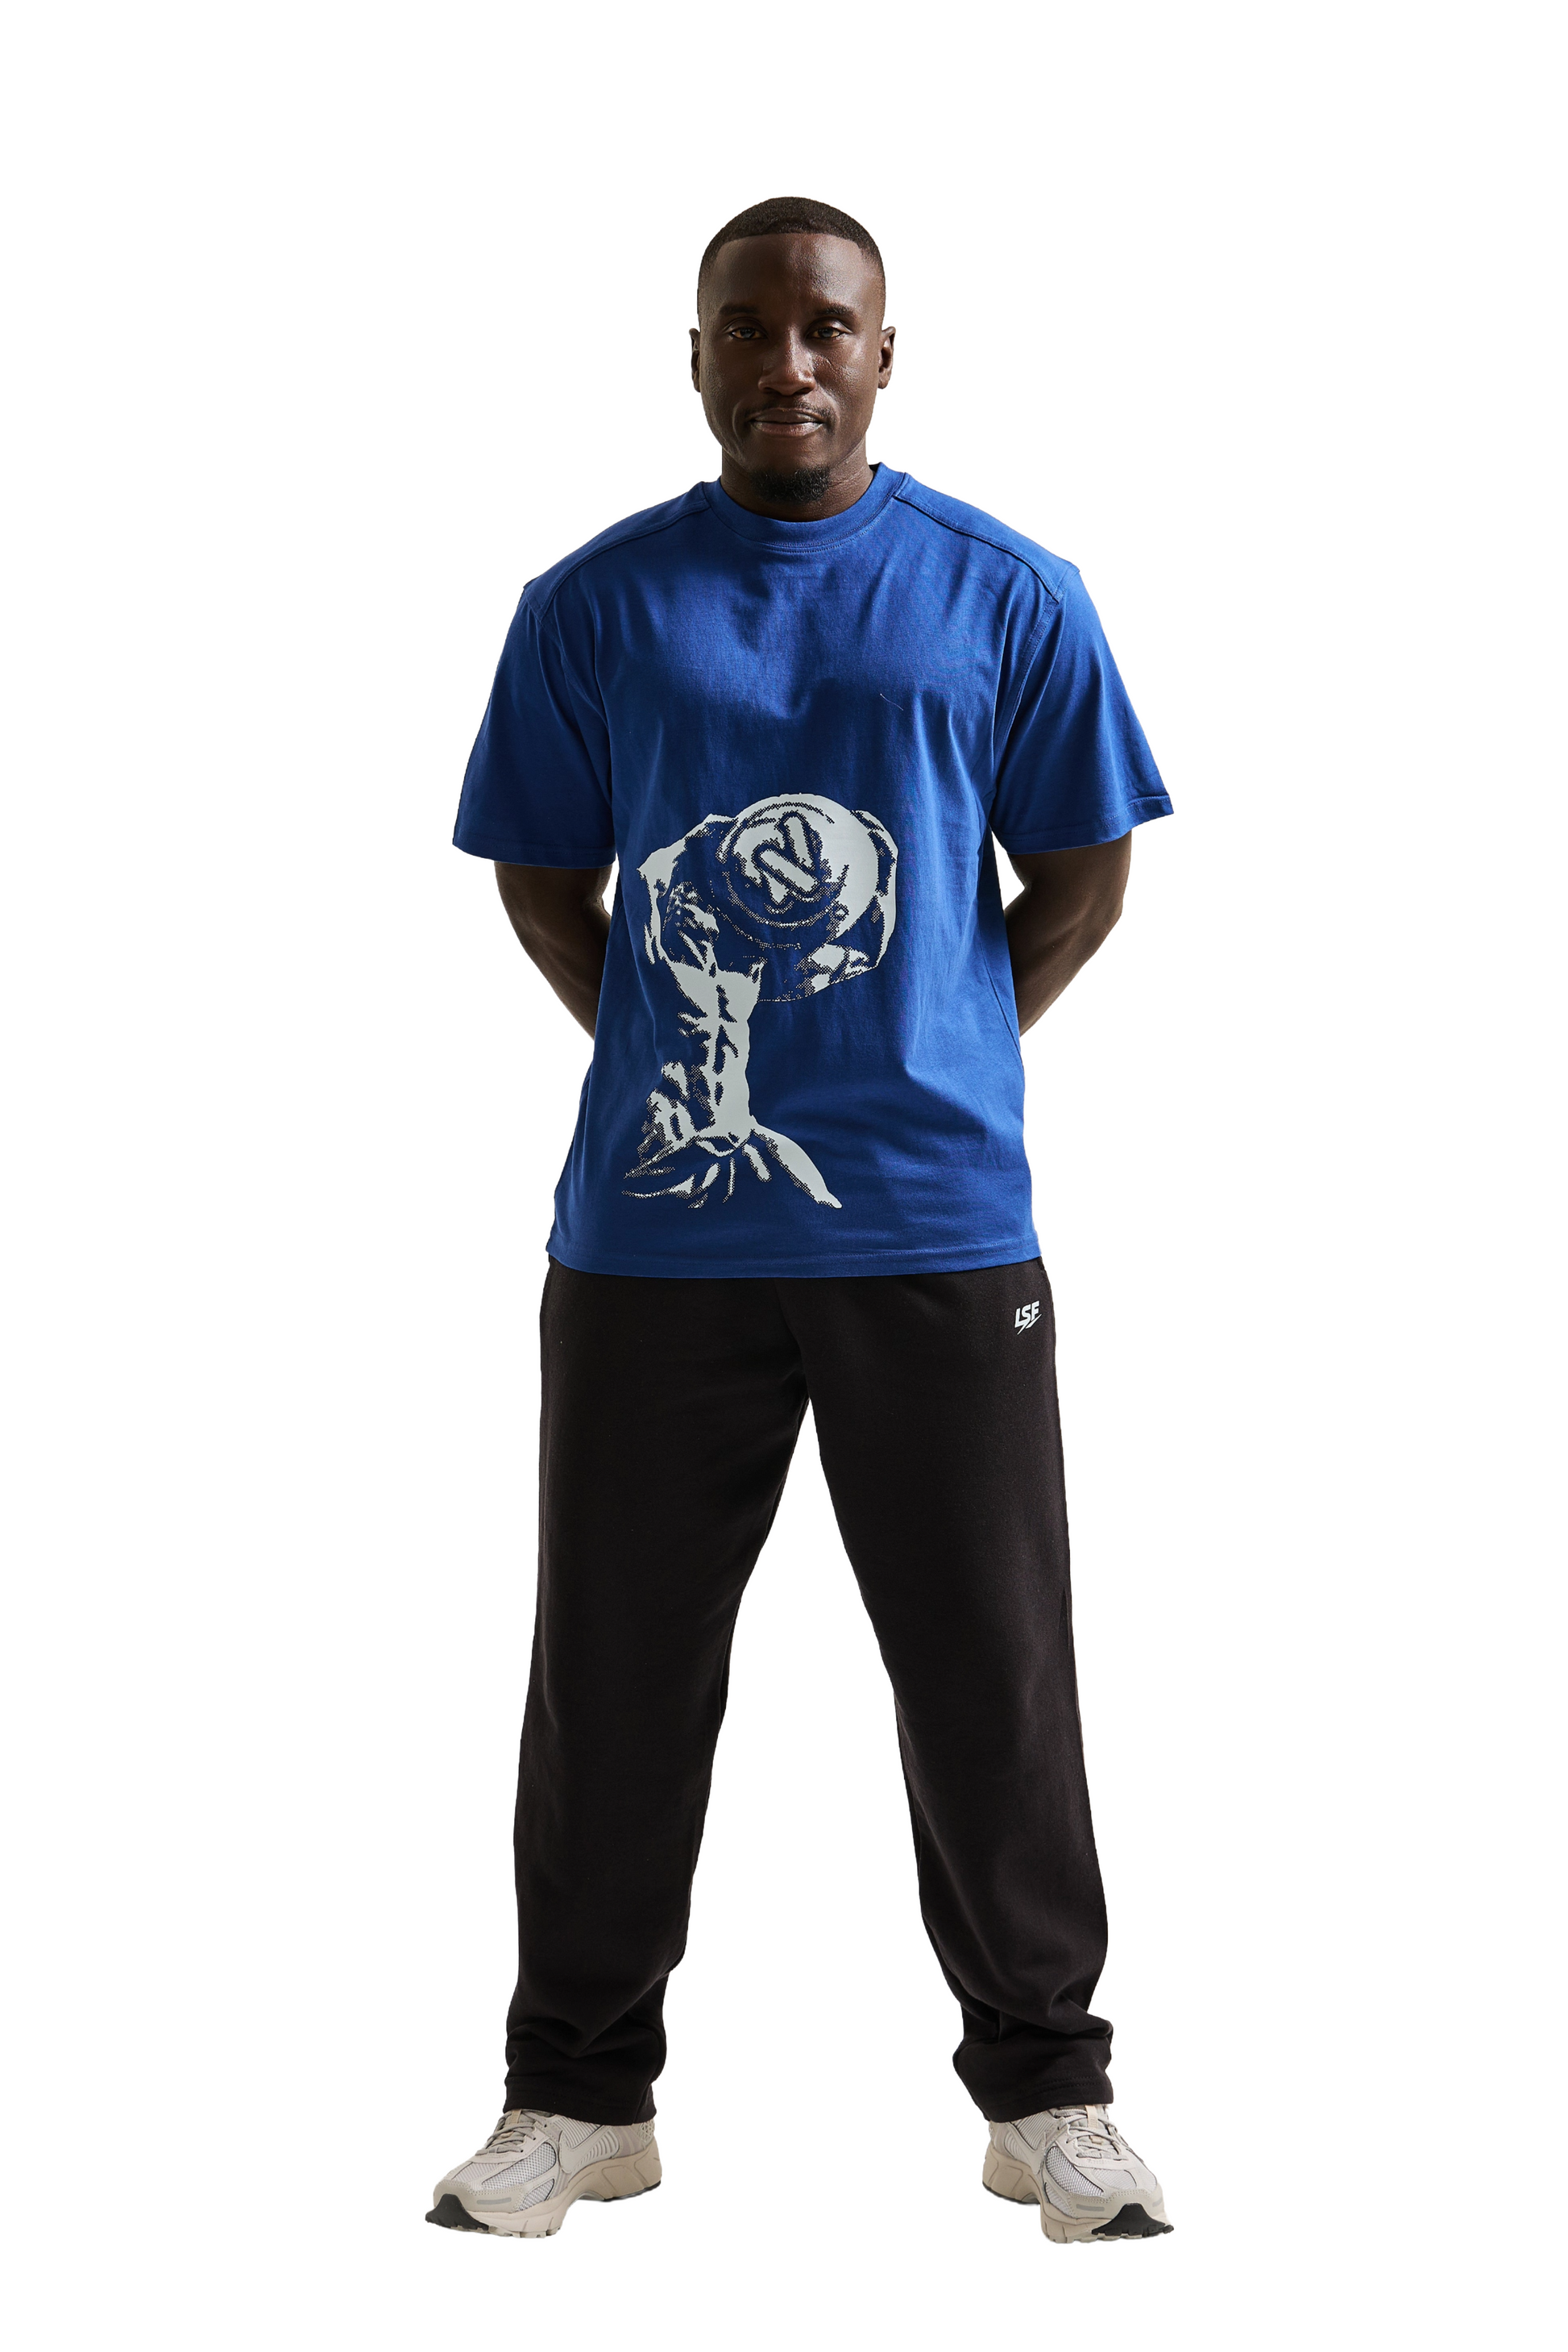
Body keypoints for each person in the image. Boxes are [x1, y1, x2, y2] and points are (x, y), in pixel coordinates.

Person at [429, 197, 1175, 2246]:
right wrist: (680, 1062)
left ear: (882, 352)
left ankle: (1050, 2094)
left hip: (935, 1229)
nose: (787, 361)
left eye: (825, 326)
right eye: (746, 326)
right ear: (695, 355)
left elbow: (1084, 874)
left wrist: (940, 1050)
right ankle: (576, 2099)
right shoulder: (592, 604)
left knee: (991, 1669)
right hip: (651, 1245)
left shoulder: (1004, 591)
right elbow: (543, 880)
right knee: (614, 1672)